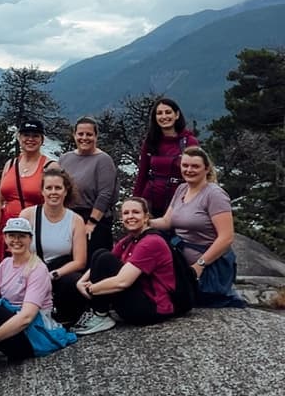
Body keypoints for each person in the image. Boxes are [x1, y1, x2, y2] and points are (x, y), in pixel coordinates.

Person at [151, 147, 245, 308]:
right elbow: (167, 221)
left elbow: (226, 237)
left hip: (207, 269)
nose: (189, 170)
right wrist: (144, 222)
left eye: (195, 166)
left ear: (206, 168)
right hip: (181, 260)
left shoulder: (214, 195)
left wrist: (200, 264)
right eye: (185, 165)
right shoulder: (182, 189)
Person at [72, 197, 177, 335]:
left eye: (136, 212)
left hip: (151, 308)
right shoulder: (129, 240)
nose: (130, 216)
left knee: (104, 258)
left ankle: (99, 313)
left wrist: (92, 289)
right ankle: (98, 312)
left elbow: (122, 282)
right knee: (100, 253)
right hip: (140, 298)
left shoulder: (151, 242)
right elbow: (101, 260)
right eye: (126, 213)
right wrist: (81, 282)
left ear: (146, 217)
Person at [0, 217, 74, 361]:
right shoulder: (5, 264)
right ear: (5, 238)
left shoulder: (37, 269)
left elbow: (27, 317)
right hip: (11, 323)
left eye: (22, 236)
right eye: (12, 236)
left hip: (31, 334)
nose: (16, 240)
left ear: (30, 239)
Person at [19, 168, 87, 324]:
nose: (53, 192)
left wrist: (53, 275)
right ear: (42, 191)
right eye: (49, 188)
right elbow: (19, 251)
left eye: (58, 188)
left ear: (65, 191)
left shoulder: (76, 220)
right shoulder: (27, 215)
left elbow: (80, 261)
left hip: (60, 274)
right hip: (32, 270)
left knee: (74, 282)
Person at [0, 119, 51, 260]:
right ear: (19, 137)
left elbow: (57, 203)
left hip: (34, 231)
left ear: (42, 139)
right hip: (7, 230)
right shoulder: (10, 164)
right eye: (26, 135)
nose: (30, 139)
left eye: (35, 136)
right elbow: (0, 200)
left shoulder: (50, 167)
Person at [58, 117, 118, 258]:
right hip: (68, 219)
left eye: (89, 134)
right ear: (74, 135)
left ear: (96, 136)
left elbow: (105, 194)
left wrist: (91, 223)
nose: (84, 138)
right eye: (80, 134)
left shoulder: (103, 160)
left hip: (94, 221)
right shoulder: (65, 159)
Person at [133, 98, 199, 217]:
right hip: (151, 201)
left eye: (168, 112)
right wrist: (135, 202)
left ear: (177, 115)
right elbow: (142, 174)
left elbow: (198, 175)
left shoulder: (189, 142)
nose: (164, 116)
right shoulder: (151, 142)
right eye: (159, 113)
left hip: (180, 202)